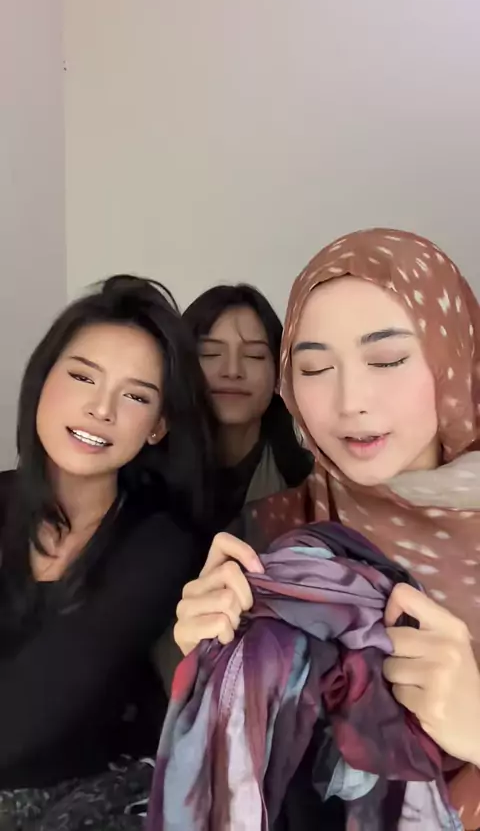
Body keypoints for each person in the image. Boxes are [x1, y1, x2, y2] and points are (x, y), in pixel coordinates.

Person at [174, 230, 480, 826]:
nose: (349, 400)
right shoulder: (268, 535)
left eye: (386, 360)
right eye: (314, 367)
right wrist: (209, 671)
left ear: (455, 359)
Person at [0, 274, 216, 829]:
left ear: (157, 426)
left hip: (94, 795)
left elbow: (36, 705)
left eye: (135, 396)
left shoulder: (161, 544)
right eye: (82, 376)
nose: (101, 409)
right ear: (42, 380)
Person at [183, 284, 312, 527]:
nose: (232, 371)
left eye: (254, 355)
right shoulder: (143, 478)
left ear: (279, 377)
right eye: (210, 353)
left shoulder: (309, 483)